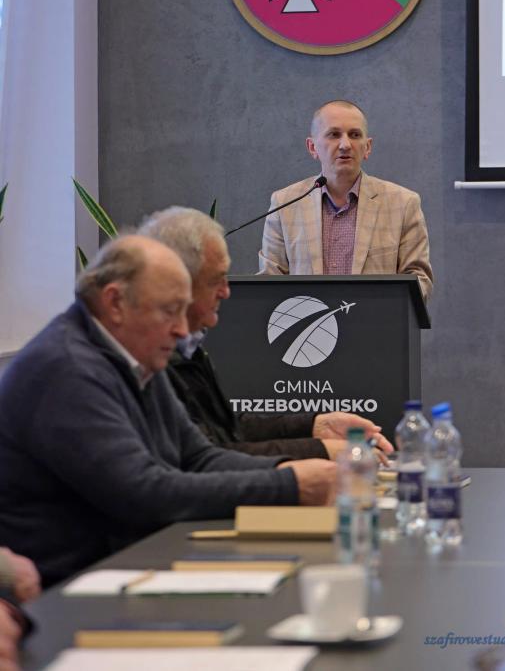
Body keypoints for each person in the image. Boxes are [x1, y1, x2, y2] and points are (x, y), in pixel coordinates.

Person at [0, 236, 335, 587]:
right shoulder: (67, 368)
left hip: (132, 564)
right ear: (115, 302)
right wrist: (289, 485)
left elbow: (199, 457)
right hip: (68, 589)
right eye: (169, 310)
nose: (181, 329)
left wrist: (289, 471)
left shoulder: (136, 353)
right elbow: (143, 494)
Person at [138, 207, 393, 460]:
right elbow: (206, 457)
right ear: (179, 281)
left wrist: (315, 426)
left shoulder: (189, 349)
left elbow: (226, 430)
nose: (226, 292)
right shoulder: (150, 359)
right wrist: (321, 451)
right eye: (216, 280)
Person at [259, 100, 433, 300]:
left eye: (355, 135)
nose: (345, 145)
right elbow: (268, 284)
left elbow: (419, 281)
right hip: (307, 320)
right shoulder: (284, 204)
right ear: (312, 147)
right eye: (334, 134)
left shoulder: (403, 204)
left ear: (367, 147)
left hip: (374, 319)